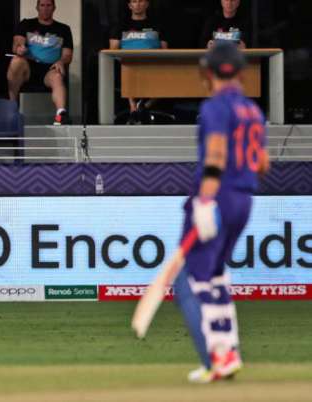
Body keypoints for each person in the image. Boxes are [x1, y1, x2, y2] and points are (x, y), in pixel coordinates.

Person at [173, 42, 269, 383]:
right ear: (242, 73)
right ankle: (227, 351)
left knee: (193, 281)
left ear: (207, 73)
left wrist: (205, 201)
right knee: (213, 275)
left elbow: (214, 154)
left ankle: (219, 357)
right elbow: (261, 163)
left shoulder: (215, 107)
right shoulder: (254, 112)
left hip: (217, 194)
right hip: (244, 198)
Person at [7, 0, 73, 125]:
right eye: (42, 5)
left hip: (49, 69)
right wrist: (20, 48)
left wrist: (61, 61)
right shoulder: (26, 24)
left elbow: (67, 55)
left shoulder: (63, 29)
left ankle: (60, 116)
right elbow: (16, 44)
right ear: (37, 7)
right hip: (28, 69)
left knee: (58, 75)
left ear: (54, 8)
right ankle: (12, 110)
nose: (45, 8)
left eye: (49, 5)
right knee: (16, 61)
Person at [109, 0, 168, 123]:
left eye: (141, 1)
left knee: (169, 78)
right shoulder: (121, 25)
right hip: (127, 65)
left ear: (147, 4)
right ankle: (133, 107)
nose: (138, 4)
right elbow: (113, 50)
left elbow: (165, 50)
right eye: (134, 1)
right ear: (130, 6)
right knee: (128, 68)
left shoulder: (158, 25)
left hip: (153, 65)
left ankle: (142, 106)